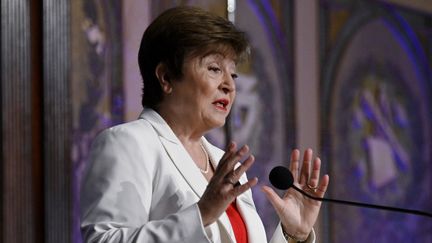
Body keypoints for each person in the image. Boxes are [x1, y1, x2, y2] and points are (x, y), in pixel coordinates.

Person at [80, 6, 329, 243]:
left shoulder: (225, 164)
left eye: (233, 74)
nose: (229, 85)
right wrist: (201, 215)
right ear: (166, 77)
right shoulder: (129, 144)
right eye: (214, 69)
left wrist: (292, 234)